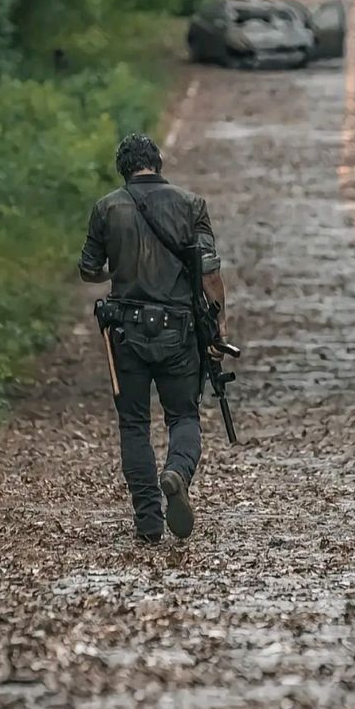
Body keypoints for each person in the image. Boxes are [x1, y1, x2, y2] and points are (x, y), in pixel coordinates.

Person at [78, 132, 228, 544]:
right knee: (183, 415)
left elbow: (89, 269)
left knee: (133, 425)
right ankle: (177, 472)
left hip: (124, 331)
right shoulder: (191, 205)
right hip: (178, 330)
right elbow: (210, 272)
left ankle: (147, 520)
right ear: (157, 162)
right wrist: (219, 326)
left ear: (123, 168)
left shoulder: (106, 208)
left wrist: (118, 272)